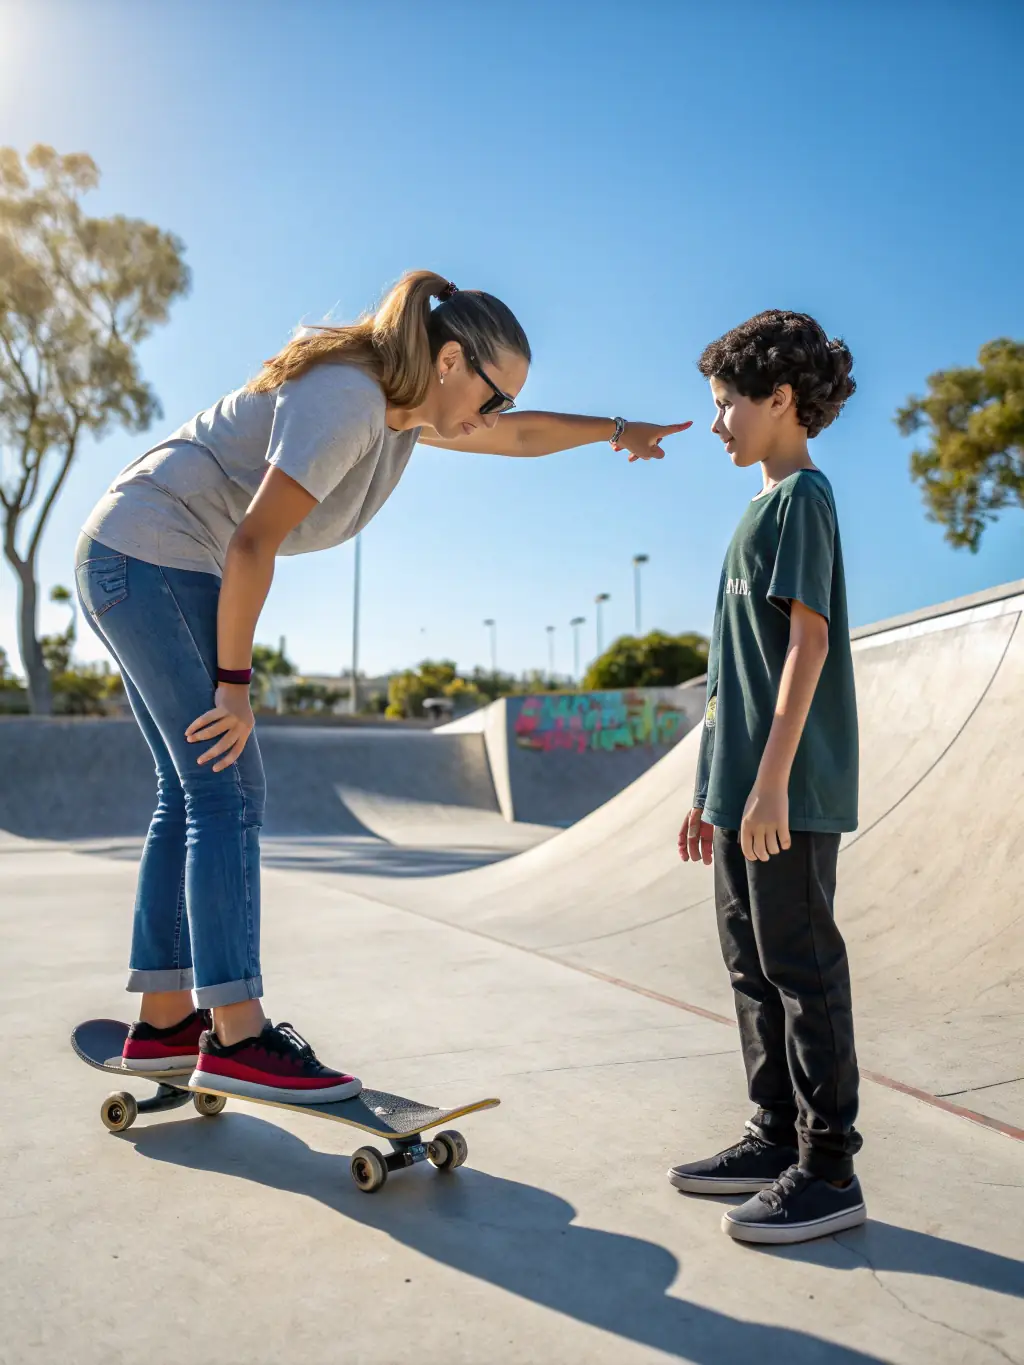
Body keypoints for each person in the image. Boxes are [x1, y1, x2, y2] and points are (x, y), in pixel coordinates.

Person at [74, 269, 691, 1104]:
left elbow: (519, 438)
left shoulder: (402, 412)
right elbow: (253, 542)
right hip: (152, 554)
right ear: (449, 360)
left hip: (135, 551)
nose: (495, 414)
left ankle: (167, 1024)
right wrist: (235, 685)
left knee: (190, 791)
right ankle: (239, 1035)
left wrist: (616, 429)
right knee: (225, 784)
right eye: (494, 394)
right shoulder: (349, 400)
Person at [669, 310, 864, 1245]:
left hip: (787, 790)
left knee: (800, 968)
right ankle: (774, 1133)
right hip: (742, 791)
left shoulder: (803, 502)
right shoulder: (757, 509)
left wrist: (773, 780)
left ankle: (829, 1169)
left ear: (780, 398)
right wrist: (711, 789)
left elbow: (806, 646)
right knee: (750, 965)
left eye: (727, 404)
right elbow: (731, 672)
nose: (718, 422)